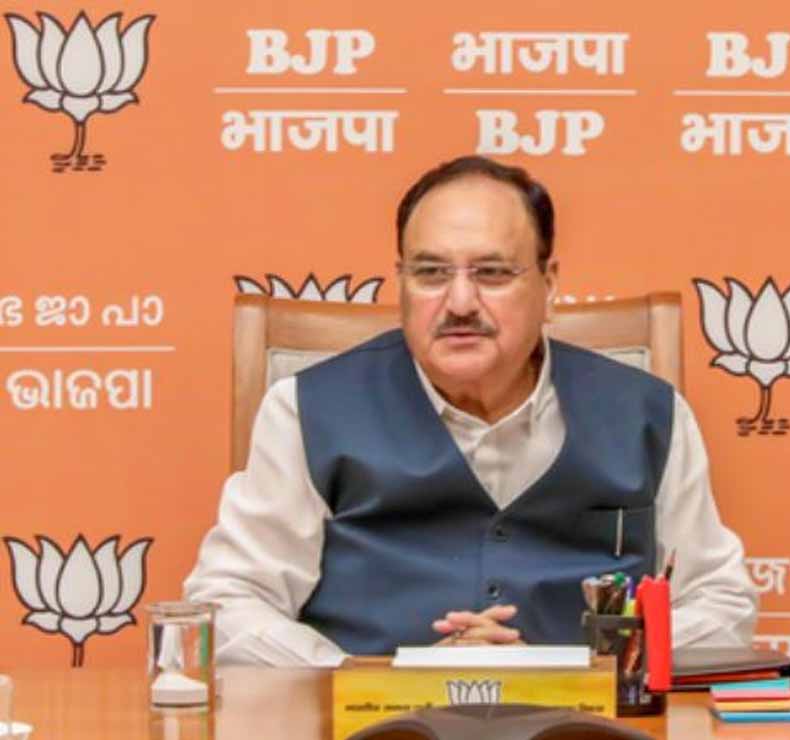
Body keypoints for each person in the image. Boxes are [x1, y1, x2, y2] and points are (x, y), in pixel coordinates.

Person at [184, 155, 757, 664]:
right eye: (430, 273)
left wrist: (574, 671)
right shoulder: (305, 411)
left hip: (585, 725)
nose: (459, 302)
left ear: (549, 284)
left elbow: (720, 602)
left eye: (492, 273)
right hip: (373, 728)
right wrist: (371, 679)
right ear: (401, 282)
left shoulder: (648, 415)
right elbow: (229, 601)